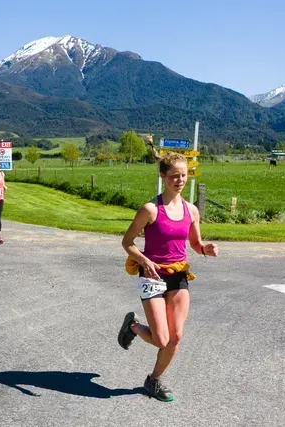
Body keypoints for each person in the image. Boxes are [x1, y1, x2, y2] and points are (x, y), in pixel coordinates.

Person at [118, 145, 218, 402]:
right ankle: (132, 325)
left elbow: (195, 244)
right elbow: (127, 242)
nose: (180, 180)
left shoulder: (191, 210)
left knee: (175, 337)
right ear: (163, 176)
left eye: (183, 175)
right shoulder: (150, 210)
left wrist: (205, 249)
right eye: (174, 175)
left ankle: (153, 381)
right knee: (161, 339)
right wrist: (143, 259)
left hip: (178, 276)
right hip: (151, 276)